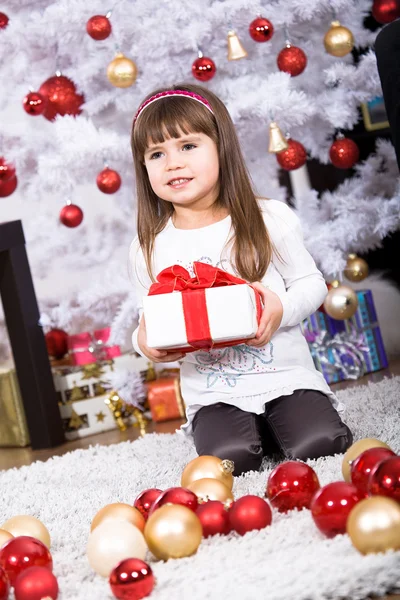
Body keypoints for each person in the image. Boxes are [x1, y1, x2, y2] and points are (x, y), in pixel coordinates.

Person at [129, 83, 353, 476]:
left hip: (283, 375)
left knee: (321, 443)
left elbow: (312, 283)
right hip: (214, 391)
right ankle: (251, 431)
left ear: (221, 147)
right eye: (157, 154)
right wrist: (147, 343)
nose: (173, 163)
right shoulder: (148, 247)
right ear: (144, 167)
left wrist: (280, 308)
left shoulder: (268, 219)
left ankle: (287, 419)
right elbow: (145, 320)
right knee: (231, 460)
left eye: (187, 146)